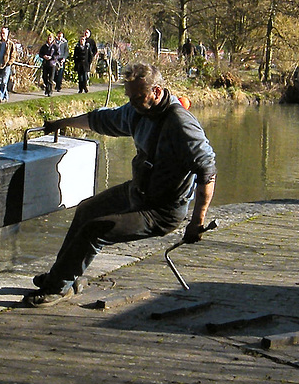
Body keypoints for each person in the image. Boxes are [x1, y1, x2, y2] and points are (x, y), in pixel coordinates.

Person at [23, 62, 217, 307]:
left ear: (156, 92)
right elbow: (102, 120)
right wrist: (63, 123)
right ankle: (64, 278)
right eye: (130, 96)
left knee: (96, 230)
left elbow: (208, 171)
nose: (133, 102)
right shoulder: (138, 111)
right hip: (138, 191)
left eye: (138, 97)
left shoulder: (181, 124)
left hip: (161, 211)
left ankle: (57, 289)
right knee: (86, 210)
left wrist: (197, 221)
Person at [0, 27, 17, 103]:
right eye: (1, 33)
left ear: (7, 34)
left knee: (4, 81)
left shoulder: (10, 44)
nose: (2, 35)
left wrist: (9, 62)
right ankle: (5, 96)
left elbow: (13, 55)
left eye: (4, 33)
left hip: (6, 65)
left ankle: (1, 95)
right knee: (0, 82)